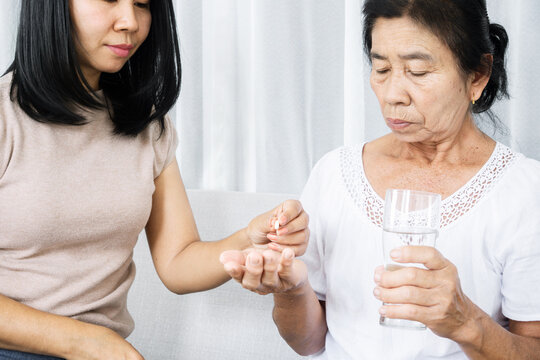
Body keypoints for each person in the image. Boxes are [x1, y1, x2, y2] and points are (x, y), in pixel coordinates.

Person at [220, 0, 540, 358]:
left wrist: (467, 323)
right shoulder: (335, 174)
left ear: (477, 75)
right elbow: (308, 342)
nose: (391, 96)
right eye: (381, 68)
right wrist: (291, 289)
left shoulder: (524, 192)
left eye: (418, 71)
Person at [0, 1, 309, 359]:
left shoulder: (146, 126)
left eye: (143, 4)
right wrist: (85, 341)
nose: (131, 22)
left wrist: (250, 239)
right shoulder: (7, 118)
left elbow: (178, 261)